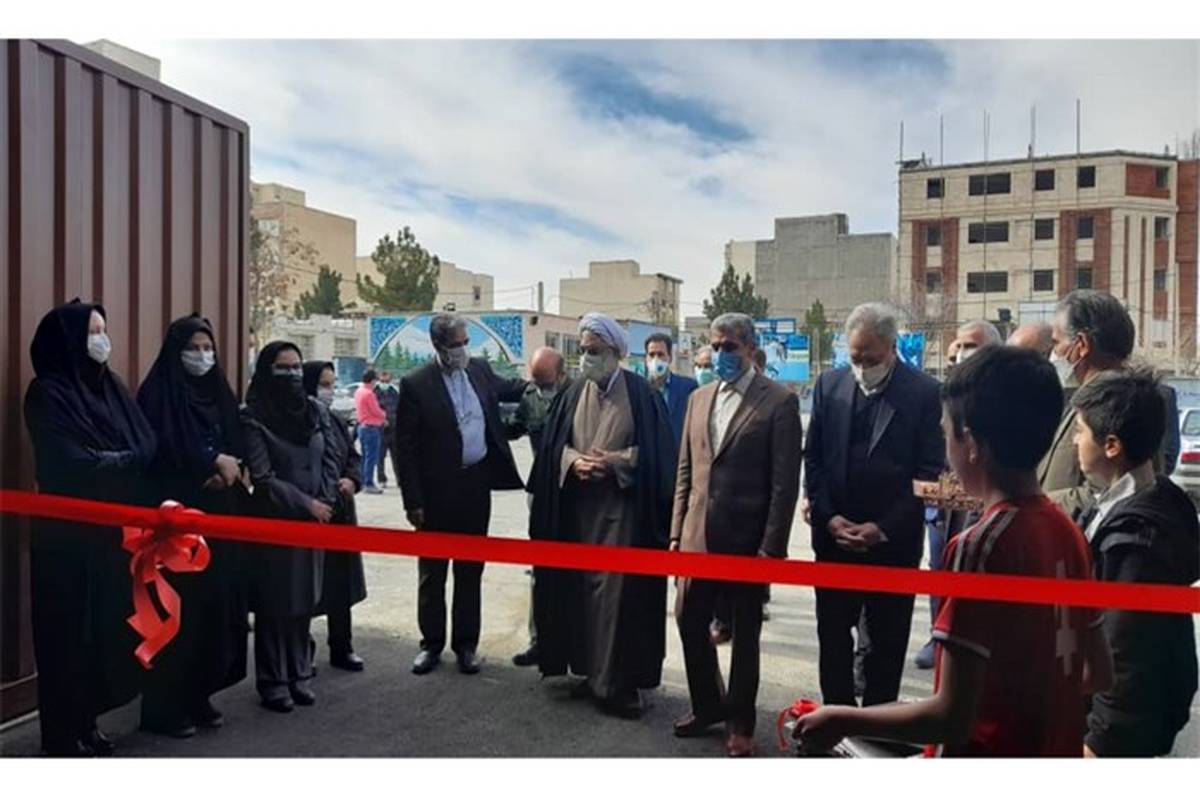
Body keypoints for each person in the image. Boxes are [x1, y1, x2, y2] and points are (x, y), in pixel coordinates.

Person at [794, 345, 1112, 757]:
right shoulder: (1069, 532)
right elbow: (1097, 673)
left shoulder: (980, 547)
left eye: (946, 435)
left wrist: (843, 719)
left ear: (972, 444)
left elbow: (952, 717)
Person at [23, 300, 158, 756]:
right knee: (64, 634)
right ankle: (61, 736)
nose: (102, 340)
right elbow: (70, 461)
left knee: (99, 630)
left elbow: (146, 443)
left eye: (103, 330)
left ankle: (88, 723)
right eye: (92, 332)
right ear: (68, 341)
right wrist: (122, 461)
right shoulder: (47, 393)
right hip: (64, 538)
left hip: (109, 534)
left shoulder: (110, 387)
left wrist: (115, 460)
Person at [529, 312, 676, 718]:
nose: (586, 358)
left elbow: (659, 458)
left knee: (616, 601)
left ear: (614, 352)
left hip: (622, 518)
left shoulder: (642, 395)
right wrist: (573, 461)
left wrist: (615, 462)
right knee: (577, 595)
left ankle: (616, 683)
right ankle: (588, 672)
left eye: (593, 351)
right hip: (576, 516)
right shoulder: (573, 392)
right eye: (583, 351)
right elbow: (552, 449)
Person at [671, 313, 802, 757]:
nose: (720, 354)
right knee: (689, 621)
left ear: (749, 348)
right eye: (715, 346)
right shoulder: (698, 398)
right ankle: (707, 704)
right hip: (696, 539)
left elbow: (785, 485)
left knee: (745, 637)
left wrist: (771, 548)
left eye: (729, 347)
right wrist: (676, 536)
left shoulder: (779, 402)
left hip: (748, 544)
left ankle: (740, 723)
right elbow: (686, 472)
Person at [803, 302, 944, 707]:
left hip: (892, 545)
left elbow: (929, 472)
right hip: (835, 541)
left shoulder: (923, 393)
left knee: (886, 644)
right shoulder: (829, 386)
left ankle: (878, 729)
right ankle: (836, 720)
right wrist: (829, 517)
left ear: (893, 348)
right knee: (833, 638)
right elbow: (814, 459)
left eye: (872, 359)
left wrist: (882, 528)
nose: (863, 367)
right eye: (855, 358)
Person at [1071, 371, 1199, 757]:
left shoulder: (1137, 541)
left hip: (1115, 734)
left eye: (1080, 431)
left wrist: (1098, 742)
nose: (1075, 441)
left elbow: (1124, 653)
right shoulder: (1143, 500)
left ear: (1111, 445)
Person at [135, 314, 250, 738]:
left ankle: (200, 694)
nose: (202, 356)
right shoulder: (157, 396)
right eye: (193, 349)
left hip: (220, 519)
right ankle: (164, 707)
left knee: (213, 613)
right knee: (177, 614)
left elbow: (237, 440)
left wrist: (229, 469)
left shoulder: (218, 392)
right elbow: (159, 449)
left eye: (208, 348)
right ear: (175, 352)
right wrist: (207, 464)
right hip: (176, 526)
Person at [396, 314, 528, 676]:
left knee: (470, 571)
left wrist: (548, 383)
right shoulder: (416, 384)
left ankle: (466, 646)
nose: (463, 350)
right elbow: (405, 449)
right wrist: (413, 501)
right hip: (435, 494)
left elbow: (512, 388)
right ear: (438, 345)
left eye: (466, 342)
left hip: (475, 487)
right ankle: (431, 644)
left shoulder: (479, 370)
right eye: (456, 344)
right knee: (433, 574)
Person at [242, 341, 342, 712]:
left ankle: (300, 674)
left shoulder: (315, 411)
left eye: (297, 367)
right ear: (267, 371)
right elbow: (263, 476)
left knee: (304, 601)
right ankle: (273, 681)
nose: (292, 375)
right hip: (277, 520)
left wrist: (325, 501)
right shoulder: (253, 415)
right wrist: (306, 504)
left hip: (315, 521)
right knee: (275, 604)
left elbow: (331, 457)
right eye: (282, 368)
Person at [913, 319, 1001, 670]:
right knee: (940, 568)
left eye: (970, 346)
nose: (962, 355)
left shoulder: (1003, 398)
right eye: (957, 350)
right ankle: (939, 635)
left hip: (985, 504)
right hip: (944, 504)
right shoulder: (944, 396)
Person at [1040, 290, 1136, 522]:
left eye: (1056, 343)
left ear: (1081, 344)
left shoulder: (1116, 402)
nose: (1053, 354)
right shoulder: (1087, 396)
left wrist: (1032, 505)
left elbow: (1109, 493)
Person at [505, 346, 571, 667]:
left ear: (562, 375)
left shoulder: (578, 396)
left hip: (574, 494)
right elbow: (514, 427)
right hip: (541, 492)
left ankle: (577, 646)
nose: (540, 388)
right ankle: (539, 641)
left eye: (546, 383)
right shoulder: (530, 396)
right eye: (536, 381)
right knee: (541, 570)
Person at [305, 361, 368, 672]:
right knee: (306, 586)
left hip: (340, 513)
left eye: (332, 384)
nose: (328, 391)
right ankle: (303, 651)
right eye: (323, 385)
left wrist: (352, 480)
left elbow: (353, 458)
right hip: (311, 513)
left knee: (340, 584)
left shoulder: (336, 420)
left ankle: (342, 647)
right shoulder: (299, 421)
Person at [644, 332, 698, 451]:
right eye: (651, 355)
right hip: (650, 457)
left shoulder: (688, 387)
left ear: (670, 358)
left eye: (660, 354)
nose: (656, 359)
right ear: (646, 358)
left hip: (677, 455)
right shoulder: (639, 389)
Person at [354, 370, 388, 495]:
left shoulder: (359, 391)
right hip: (371, 427)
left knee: (365, 456)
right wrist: (384, 415)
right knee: (371, 458)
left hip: (362, 426)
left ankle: (363, 481)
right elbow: (376, 411)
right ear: (372, 380)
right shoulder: (369, 394)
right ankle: (368, 483)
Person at [373, 370, 401, 487]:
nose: (384, 383)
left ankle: (400, 479)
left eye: (387, 381)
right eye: (382, 380)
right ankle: (382, 479)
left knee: (396, 456)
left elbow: (400, 408)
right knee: (380, 456)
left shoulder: (394, 392)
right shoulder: (375, 392)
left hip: (394, 429)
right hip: (381, 429)